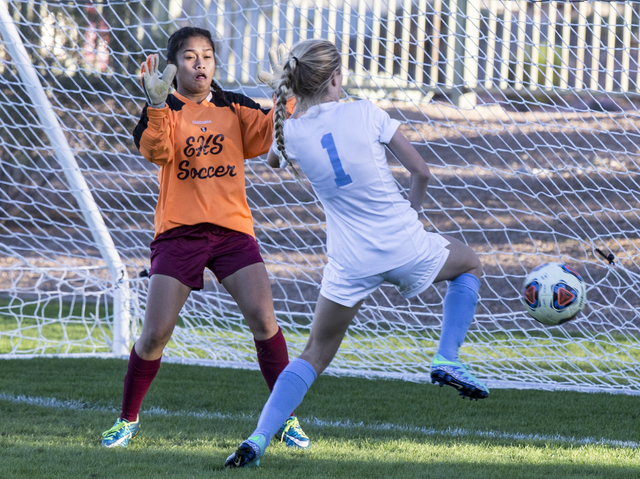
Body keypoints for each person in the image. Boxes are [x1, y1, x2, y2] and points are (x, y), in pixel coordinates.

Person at [225, 38, 488, 468]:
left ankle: (257, 439)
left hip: (350, 262)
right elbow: (421, 171)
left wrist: (286, 101)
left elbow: (272, 159)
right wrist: (412, 215)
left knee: (313, 353)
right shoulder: (366, 112)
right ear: (335, 79)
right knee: (470, 264)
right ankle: (448, 357)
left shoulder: (289, 129)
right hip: (403, 244)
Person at [100, 26, 309, 450]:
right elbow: (156, 150)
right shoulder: (162, 108)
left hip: (233, 233)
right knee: (156, 333)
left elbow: (276, 134)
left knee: (264, 320)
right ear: (174, 66)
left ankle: (284, 418)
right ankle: (126, 419)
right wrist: (157, 104)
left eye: (208, 55)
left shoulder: (233, 106)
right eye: (190, 56)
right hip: (179, 235)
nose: (200, 63)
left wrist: (285, 96)